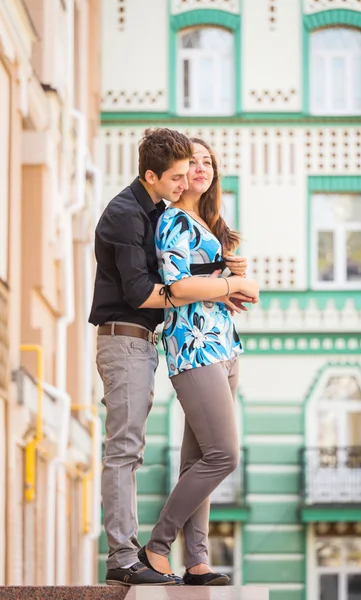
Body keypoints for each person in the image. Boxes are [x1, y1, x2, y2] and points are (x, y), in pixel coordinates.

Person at [89, 128, 251, 587]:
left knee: (193, 456)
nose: (187, 180)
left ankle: (193, 560)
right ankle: (134, 554)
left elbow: (181, 277)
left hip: (162, 340)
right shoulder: (130, 215)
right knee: (129, 450)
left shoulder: (155, 211)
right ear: (152, 175)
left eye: (197, 169)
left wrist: (221, 277)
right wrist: (224, 286)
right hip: (136, 338)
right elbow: (150, 291)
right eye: (179, 174)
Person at [138, 138, 259, 586]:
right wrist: (234, 285)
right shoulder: (172, 220)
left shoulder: (206, 226)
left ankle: (198, 561)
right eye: (193, 161)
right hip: (193, 347)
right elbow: (178, 287)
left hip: (223, 347)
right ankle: (156, 545)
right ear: (178, 170)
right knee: (224, 455)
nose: (202, 168)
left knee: (199, 460)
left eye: (208, 161)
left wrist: (232, 279)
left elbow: (208, 284)